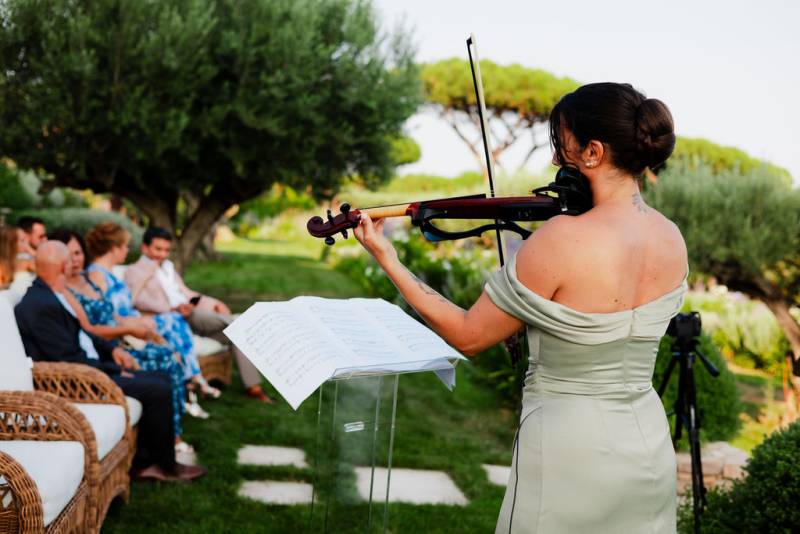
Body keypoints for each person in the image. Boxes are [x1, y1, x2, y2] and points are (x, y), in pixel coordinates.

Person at [352, 82, 687, 533]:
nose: (554, 162)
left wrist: (387, 258)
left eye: (561, 146)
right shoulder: (672, 238)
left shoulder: (560, 238)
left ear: (593, 152)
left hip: (568, 449)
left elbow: (468, 336)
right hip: (646, 445)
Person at [14, 241, 206, 482]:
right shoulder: (41, 305)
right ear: (63, 266)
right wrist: (113, 369)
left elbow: (85, 332)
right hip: (74, 382)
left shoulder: (53, 294)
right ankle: (165, 466)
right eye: (69, 260)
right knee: (157, 389)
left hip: (89, 368)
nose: (74, 263)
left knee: (161, 377)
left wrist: (112, 350)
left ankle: (145, 462)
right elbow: (67, 359)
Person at [48, 228, 192, 453]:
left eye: (78, 253)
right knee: (167, 361)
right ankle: (171, 437)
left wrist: (138, 326)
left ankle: (172, 429)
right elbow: (89, 329)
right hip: (105, 349)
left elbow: (112, 314)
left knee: (169, 353)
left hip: (118, 342)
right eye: (68, 254)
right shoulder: (64, 290)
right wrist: (129, 330)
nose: (74, 259)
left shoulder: (89, 279)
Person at [84, 222, 218, 418]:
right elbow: (104, 315)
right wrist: (134, 324)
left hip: (136, 324)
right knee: (173, 325)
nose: (127, 250)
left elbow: (127, 303)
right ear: (114, 248)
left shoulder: (108, 272)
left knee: (174, 331)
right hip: (125, 334)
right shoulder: (97, 274)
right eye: (125, 246)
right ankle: (191, 382)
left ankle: (188, 389)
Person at [125, 227, 273, 403]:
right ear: (145, 248)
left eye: (166, 250)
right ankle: (256, 327)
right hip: (173, 318)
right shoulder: (134, 271)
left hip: (190, 312)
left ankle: (254, 387)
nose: (163, 254)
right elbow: (139, 300)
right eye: (158, 249)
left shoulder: (168, 268)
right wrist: (172, 308)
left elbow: (187, 292)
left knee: (237, 332)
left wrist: (213, 302)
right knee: (238, 326)